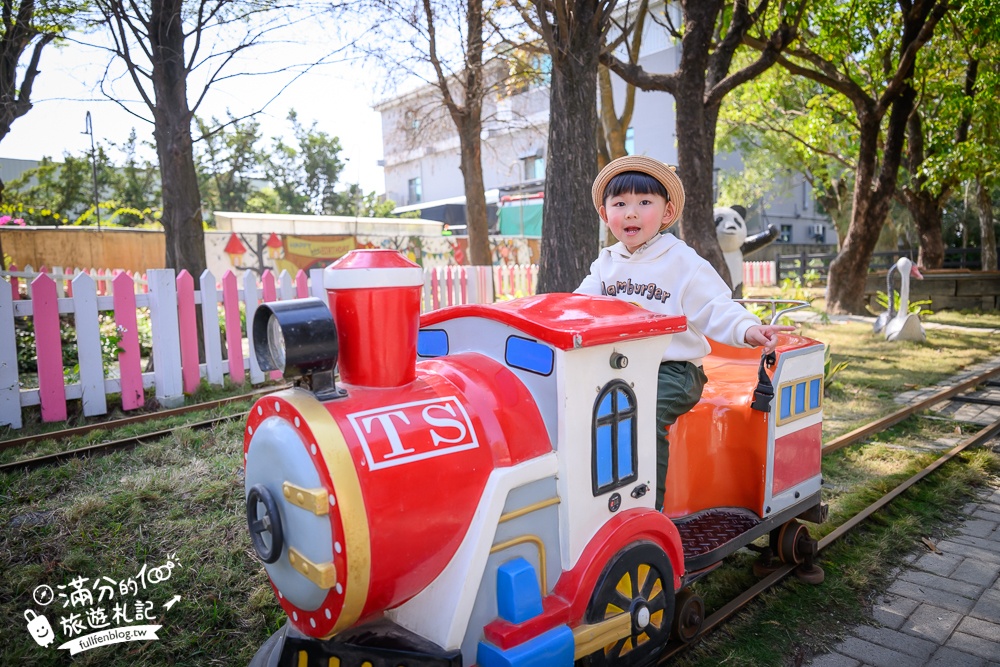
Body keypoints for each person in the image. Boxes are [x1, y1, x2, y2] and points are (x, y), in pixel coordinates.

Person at [576, 155, 795, 511]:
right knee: (578, 407)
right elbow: (579, 305)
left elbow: (714, 305)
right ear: (605, 215)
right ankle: (594, 501)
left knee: (640, 413)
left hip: (674, 371)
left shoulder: (681, 260)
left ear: (667, 212)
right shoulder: (606, 264)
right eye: (620, 204)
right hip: (619, 368)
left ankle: (648, 511)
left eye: (644, 202)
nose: (631, 212)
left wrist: (748, 328)